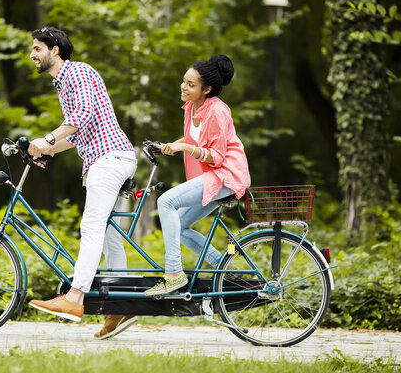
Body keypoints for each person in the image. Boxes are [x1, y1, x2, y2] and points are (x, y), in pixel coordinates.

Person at [27, 27, 138, 339]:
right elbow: (76, 133)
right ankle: (124, 305)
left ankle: (75, 298)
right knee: (110, 236)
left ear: (55, 50)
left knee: (91, 227)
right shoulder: (63, 85)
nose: (32, 55)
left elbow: (84, 114)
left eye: (37, 48)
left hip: (109, 157)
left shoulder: (77, 72)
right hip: (111, 157)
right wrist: (47, 148)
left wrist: (47, 137)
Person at [144, 55, 251, 296]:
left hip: (227, 174)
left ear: (207, 89)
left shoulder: (218, 111)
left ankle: (173, 274)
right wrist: (168, 145)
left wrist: (183, 148)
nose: (184, 86)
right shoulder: (191, 106)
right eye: (184, 81)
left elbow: (217, 156)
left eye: (191, 84)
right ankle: (222, 264)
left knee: (166, 201)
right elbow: (193, 140)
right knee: (179, 226)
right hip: (212, 175)